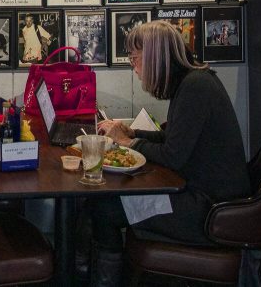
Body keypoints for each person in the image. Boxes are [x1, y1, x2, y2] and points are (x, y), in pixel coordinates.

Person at [88, 21, 250, 285]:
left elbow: (173, 155)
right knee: (102, 204)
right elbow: (172, 137)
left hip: (208, 207)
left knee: (104, 209)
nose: (133, 65)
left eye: (135, 57)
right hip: (201, 194)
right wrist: (133, 134)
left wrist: (128, 144)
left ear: (154, 58)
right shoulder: (193, 81)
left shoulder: (196, 87)